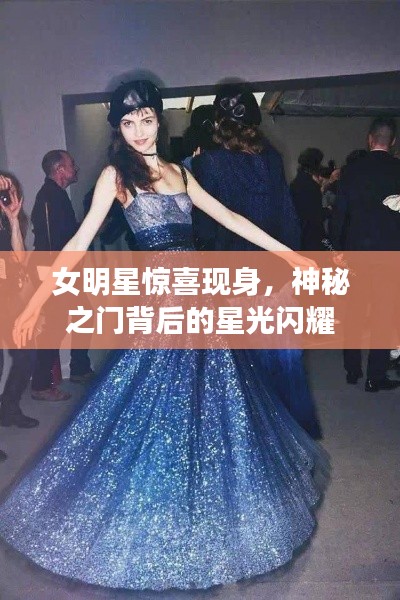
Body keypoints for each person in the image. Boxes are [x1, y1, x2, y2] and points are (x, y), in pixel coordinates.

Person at [0, 80, 327, 591]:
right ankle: (155, 524)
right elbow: (79, 242)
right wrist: (37, 301)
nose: (139, 131)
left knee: (215, 412)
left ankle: (207, 517)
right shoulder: (115, 175)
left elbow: (232, 218)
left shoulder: (181, 173)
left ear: (159, 119)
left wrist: (290, 255)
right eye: (128, 123)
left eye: (147, 119)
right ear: (118, 129)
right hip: (162, 312)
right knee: (156, 413)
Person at [191, 84, 321, 439]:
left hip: (233, 278)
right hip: (274, 272)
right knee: (283, 361)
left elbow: (204, 228)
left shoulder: (208, 163)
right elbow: (288, 217)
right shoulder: (272, 159)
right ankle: (291, 440)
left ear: (218, 121)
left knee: (241, 368)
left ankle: (252, 443)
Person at [331, 118, 400, 392]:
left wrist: (337, 248)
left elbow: (339, 214)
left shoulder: (351, 171)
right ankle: (375, 376)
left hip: (357, 252)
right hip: (390, 253)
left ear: (370, 139)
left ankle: (352, 369)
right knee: (384, 313)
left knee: (354, 311)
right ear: (392, 142)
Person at [30, 150, 93, 400]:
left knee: (82, 315)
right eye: (71, 164)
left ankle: (79, 369)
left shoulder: (57, 196)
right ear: (60, 170)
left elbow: (66, 235)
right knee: (54, 328)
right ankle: (41, 385)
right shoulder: (49, 197)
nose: (75, 168)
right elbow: (50, 243)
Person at [0, 173, 38, 445]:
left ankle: (9, 407)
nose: (5, 194)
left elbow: (21, 260)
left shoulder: (7, 220)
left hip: (10, 298)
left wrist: (13, 220)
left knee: (27, 353)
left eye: (9, 189)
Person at [290, 148, 328, 250]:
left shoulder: (295, 183)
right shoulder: (311, 186)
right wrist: (329, 210)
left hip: (300, 232)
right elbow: (316, 215)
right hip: (313, 235)